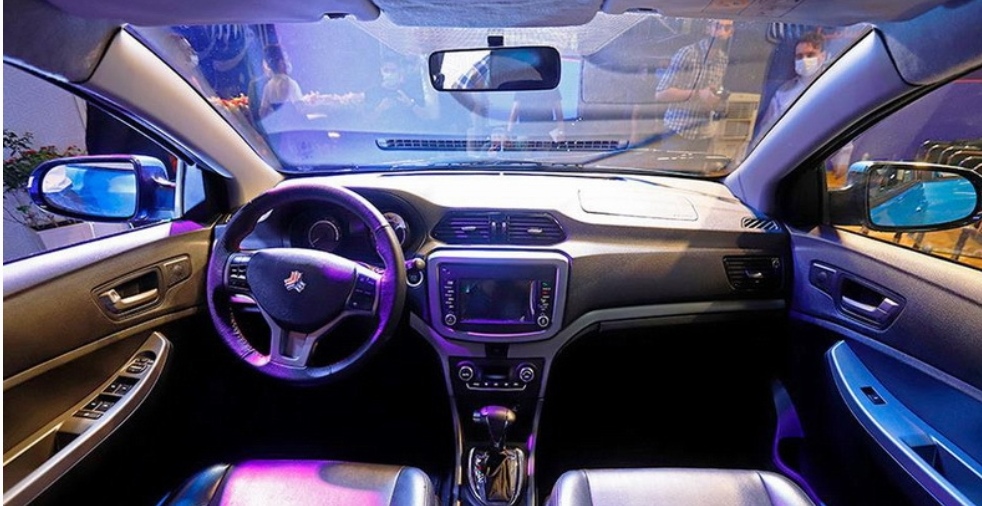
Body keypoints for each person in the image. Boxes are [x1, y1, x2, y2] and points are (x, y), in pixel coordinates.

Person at [654, 19, 734, 153]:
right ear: (707, 28)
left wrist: (716, 100)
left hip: (705, 133)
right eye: (717, 26)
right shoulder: (687, 54)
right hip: (678, 132)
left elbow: (712, 93)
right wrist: (698, 94)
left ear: (731, 32)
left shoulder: (723, 59)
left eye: (727, 28)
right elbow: (661, 94)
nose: (721, 33)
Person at [758, 31, 827, 131]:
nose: (804, 60)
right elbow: (767, 130)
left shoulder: (833, 86)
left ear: (823, 56)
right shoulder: (782, 94)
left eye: (810, 55)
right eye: (799, 56)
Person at [256, 44, 303, 120]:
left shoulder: (268, 86)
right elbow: (301, 109)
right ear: (281, 63)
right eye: (287, 59)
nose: (289, 62)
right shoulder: (291, 84)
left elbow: (263, 112)